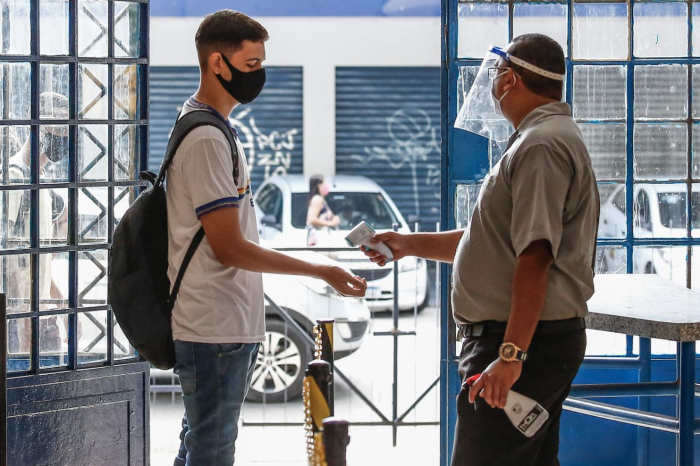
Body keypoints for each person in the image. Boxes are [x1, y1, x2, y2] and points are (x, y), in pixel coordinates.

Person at [362, 34, 599, 466]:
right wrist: (407, 244)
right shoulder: (537, 139)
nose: (490, 88)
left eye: (494, 78)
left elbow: (535, 256)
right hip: (527, 340)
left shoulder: (541, 146)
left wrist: (510, 356)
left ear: (509, 79)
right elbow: (488, 241)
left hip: (520, 342)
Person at [167, 10, 366, 466]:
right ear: (218, 63)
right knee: (212, 452)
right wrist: (322, 268)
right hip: (213, 326)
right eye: (252, 64)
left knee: (200, 444)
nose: (260, 75)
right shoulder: (206, 138)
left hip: (222, 322)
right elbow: (229, 246)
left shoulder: (215, 127)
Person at [6, 92, 70, 355]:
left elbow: (38, 260)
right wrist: (23, 323)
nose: (62, 138)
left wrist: (59, 301)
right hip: (18, 321)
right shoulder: (14, 177)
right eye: (57, 129)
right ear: (38, 128)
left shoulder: (41, 182)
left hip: (37, 318)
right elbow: (8, 258)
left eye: (66, 131)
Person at [306, 174, 339, 246]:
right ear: (319, 185)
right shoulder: (317, 199)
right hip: (319, 239)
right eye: (325, 183)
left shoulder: (321, 199)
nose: (327, 185)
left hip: (323, 237)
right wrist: (331, 223)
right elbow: (311, 220)